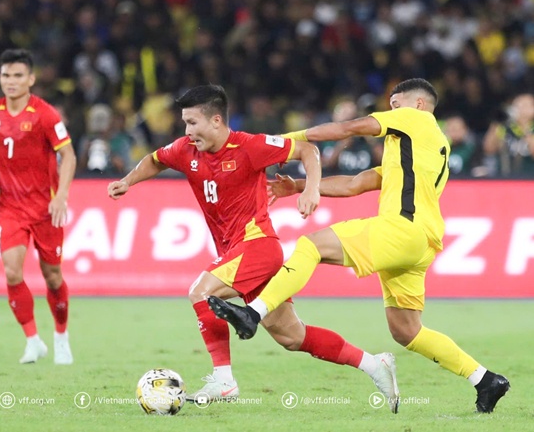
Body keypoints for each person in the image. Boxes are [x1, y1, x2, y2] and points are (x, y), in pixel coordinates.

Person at [208, 78, 510, 413]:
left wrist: (284, 141)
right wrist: (298, 185)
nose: (390, 110)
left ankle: (252, 313)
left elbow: (349, 127)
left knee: (312, 245)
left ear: (419, 104)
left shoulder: (416, 119)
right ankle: (485, 380)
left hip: (402, 228)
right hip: (421, 242)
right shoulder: (418, 147)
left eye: (395, 104)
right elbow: (355, 183)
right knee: (407, 331)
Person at [108, 84, 401, 411]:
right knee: (292, 337)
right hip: (236, 252)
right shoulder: (185, 149)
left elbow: (308, 150)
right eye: (185, 123)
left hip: (257, 246)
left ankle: (224, 379)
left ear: (216, 120)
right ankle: (375, 364)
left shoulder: (250, 146)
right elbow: (155, 159)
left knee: (200, 292)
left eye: (192, 123)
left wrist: (312, 189)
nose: (187, 131)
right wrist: (127, 181)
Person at [0, 49, 76, 365]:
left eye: (18, 75)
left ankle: (61, 336)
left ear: (31, 79)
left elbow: (69, 156)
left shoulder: (45, 114)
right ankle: (33, 341)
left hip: (46, 208)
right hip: (9, 207)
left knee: (53, 277)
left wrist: (61, 196)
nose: (11, 81)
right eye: (6, 75)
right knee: (11, 271)